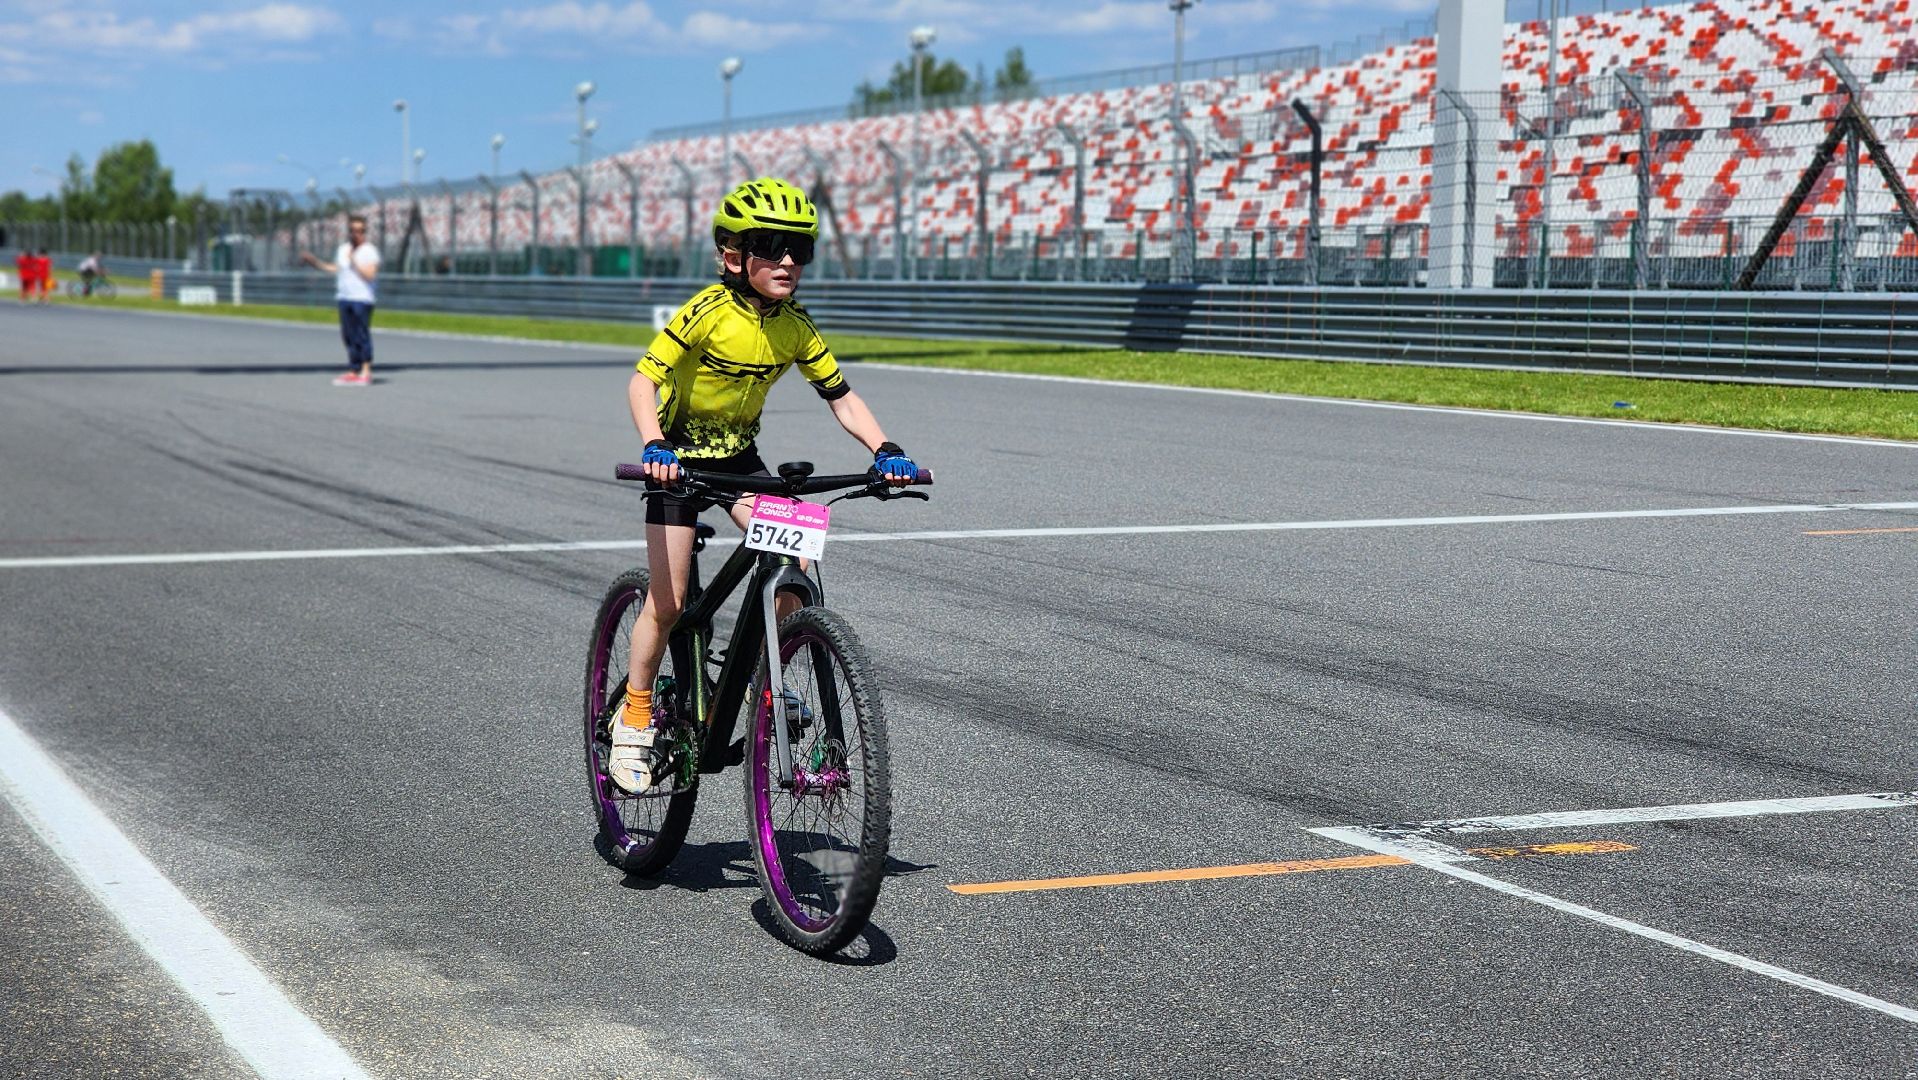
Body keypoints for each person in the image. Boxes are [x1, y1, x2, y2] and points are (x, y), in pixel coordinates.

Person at [609, 176, 921, 795]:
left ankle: (770, 680)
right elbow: (642, 382)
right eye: (771, 246)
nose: (786, 261)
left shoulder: (796, 326)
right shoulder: (706, 312)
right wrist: (654, 446)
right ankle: (637, 714)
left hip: (739, 461)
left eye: (799, 251)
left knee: (796, 557)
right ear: (733, 255)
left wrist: (885, 448)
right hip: (680, 462)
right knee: (669, 604)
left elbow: (842, 396)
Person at [298, 216, 381, 387]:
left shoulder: (370, 251)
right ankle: (353, 369)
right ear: (349, 232)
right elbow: (336, 268)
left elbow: (370, 275)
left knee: (361, 334)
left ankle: (366, 370)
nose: (357, 234)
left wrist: (354, 261)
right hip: (345, 296)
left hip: (362, 298)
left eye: (361, 231)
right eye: (354, 231)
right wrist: (315, 262)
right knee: (348, 335)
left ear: (365, 232)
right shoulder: (343, 249)